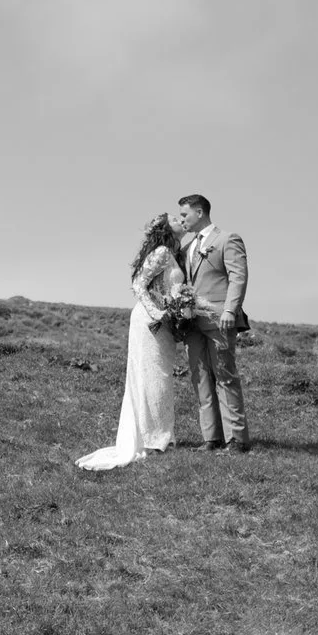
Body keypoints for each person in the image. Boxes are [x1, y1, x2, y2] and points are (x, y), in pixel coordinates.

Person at [75, 213, 192, 469]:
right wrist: (158, 313)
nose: (181, 220)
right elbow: (139, 284)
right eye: (174, 217)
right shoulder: (161, 251)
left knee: (161, 374)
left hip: (165, 322)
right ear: (164, 227)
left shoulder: (176, 253)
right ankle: (153, 438)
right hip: (148, 320)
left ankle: (161, 435)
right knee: (152, 376)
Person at [174, 193, 250, 452]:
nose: (182, 220)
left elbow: (238, 277)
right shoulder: (186, 247)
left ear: (199, 212)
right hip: (192, 323)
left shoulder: (227, 239)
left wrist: (231, 310)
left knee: (225, 377)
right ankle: (212, 437)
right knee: (200, 377)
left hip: (219, 319)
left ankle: (237, 439)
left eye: (185, 214)